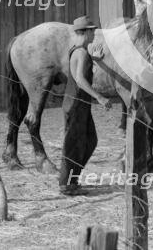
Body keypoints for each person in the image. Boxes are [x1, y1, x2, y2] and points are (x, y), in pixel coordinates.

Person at [59, 16, 111, 196]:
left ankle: (72, 180)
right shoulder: (80, 52)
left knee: (90, 141)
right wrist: (100, 97)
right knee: (73, 143)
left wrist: (96, 60)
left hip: (79, 103)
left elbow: (77, 73)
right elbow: (80, 79)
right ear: (86, 32)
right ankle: (66, 185)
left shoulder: (79, 51)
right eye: (92, 30)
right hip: (76, 102)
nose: (94, 33)